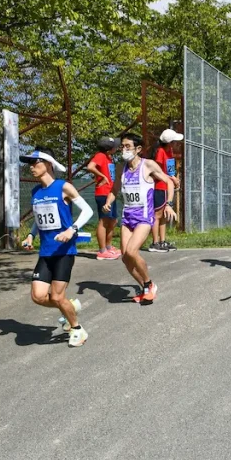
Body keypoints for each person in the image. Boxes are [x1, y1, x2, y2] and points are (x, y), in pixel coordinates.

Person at [19, 148, 93, 347]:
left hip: (64, 252)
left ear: (49, 164)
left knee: (58, 296)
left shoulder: (63, 187)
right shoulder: (36, 192)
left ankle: (77, 329)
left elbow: (87, 210)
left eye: (36, 163)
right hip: (46, 252)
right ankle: (69, 307)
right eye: (30, 164)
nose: (31, 168)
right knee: (38, 296)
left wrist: (72, 229)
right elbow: (38, 218)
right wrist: (30, 235)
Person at [103, 133, 176, 303]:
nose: (124, 150)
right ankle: (144, 286)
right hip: (127, 217)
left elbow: (169, 182)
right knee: (126, 258)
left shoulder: (148, 165)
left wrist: (169, 204)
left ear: (138, 149)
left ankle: (149, 284)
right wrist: (108, 202)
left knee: (131, 251)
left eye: (128, 146)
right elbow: (114, 190)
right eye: (122, 146)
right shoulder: (121, 168)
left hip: (144, 217)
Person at [85, 136, 121, 260]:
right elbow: (90, 167)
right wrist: (102, 176)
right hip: (103, 192)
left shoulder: (108, 158)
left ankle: (109, 247)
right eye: (114, 146)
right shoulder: (100, 156)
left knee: (113, 220)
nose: (117, 147)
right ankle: (102, 251)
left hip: (110, 192)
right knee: (104, 220)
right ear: (108, 149)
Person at [150, 128, 183, 253]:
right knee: (157, 215)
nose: (177, 143)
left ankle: (162, 241)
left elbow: (169, 171)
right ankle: (155, 242)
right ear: (169, 142)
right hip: (159, 187)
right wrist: (170, 178)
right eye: (175, 141)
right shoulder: (160, 152)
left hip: (166, 187)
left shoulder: (169, 151)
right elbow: (157, 172)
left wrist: (174, 178)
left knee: (163, 215)